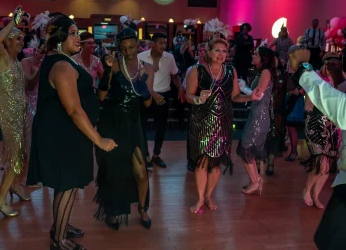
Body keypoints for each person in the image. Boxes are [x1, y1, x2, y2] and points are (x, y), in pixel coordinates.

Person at [26, 15, 116, 250]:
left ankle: (61, 226)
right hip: (62, 134)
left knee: (69, 183)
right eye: (73, 33)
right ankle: (59, 241)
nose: (79, 38)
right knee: (67, 183)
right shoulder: (62, 65)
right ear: (60, 37)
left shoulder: (64, 59)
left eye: (78, 33)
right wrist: (99, 140)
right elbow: (75, 110)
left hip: (67, 132)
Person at [186, 38, 261, 213]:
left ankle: (208, 196)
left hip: (223, 122)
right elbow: (189, 95)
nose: (221, 54)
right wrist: (198, 98)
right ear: (208, 52)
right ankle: (199, 199)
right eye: (217, 50)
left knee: (217, 164)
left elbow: (235, 96)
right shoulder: (197, 71)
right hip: (201, 122)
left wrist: (250, 97)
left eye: (224, 51)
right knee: (202, 163)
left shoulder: (230, 71)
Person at [94, 28, 154, 230]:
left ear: (137, 45)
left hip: (133, 124)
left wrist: (145, 92)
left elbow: (147, 104)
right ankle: (111, 211)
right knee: (113, 171)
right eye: (123, 48)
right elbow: (101, 97)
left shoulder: (147, 68)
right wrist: (108, 71)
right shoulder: (115, 65)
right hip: (112, 123)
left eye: (131, 46)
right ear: (119, 49)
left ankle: (143, 209)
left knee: (141, 173)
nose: (128, 51)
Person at [288, 45, 346, 250]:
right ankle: (309, 191)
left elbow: (341, 109)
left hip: (329, 128)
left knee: (330, 239)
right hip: (317, 125)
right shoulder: (337, 80)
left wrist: (304, 68)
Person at [0, 6, 30, 218]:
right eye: (18, 38)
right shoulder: (3, 59)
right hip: (9, 119)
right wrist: (13, 23)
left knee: (20, 158)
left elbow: (24, 88)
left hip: (19, 117)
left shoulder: (16, 63)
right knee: (15, 160)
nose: (21, 42)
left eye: (23, 39)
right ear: (8, 41)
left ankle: (13, 187)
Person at [138, 33, 182, 168]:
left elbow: (174, 76)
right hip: (145, 95)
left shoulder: (169, 57)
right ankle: (145, 156)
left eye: (165, 43)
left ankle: (156, 155)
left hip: (163, 96)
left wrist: (180, 88)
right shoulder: (141, 57)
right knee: (141, 127)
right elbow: (137, 79)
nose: (164, 45)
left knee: (161, 127)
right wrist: (152, 93)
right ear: (153, 43)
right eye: (161, 43)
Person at [237, 46, 275, 195]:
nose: (253, 55)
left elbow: (258, 94)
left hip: (259, 117)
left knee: (245, 149)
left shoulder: (266, 72)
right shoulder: (263, 72)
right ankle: (256, 180)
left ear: (263, 58)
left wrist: (244, 88)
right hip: (256, 115)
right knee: (246, 149)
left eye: (256, 54)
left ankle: (255, 181)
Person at [21, 39, 46, 187]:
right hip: (30, 104)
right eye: (39, 50)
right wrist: (39, 68)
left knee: (44, 140)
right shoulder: (26, 61)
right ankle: (31, 175)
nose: (40, 54)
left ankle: (43, 171)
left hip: (45, 105)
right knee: (30, 140)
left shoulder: (50, 63)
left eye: (44, 52)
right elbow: (29, 85)